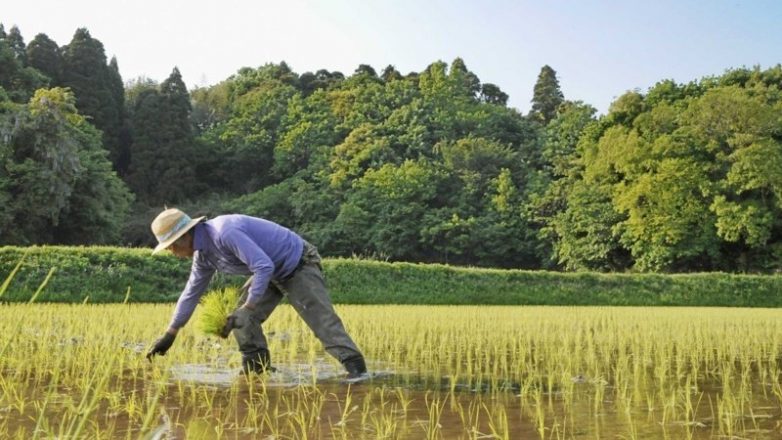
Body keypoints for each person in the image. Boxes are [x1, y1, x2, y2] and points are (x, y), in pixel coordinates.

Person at [145, 208, 368, 379]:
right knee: (240, 319)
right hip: (270, 272)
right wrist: (170, 334)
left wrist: (249, 306)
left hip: (297, 263)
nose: (172, 252)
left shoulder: (224, 232)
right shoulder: (203, 255)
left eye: (171, 246)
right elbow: (191, 292)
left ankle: (358, 375)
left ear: (184, 236)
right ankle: (257, 371)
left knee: (323, 323)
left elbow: (263, 266)